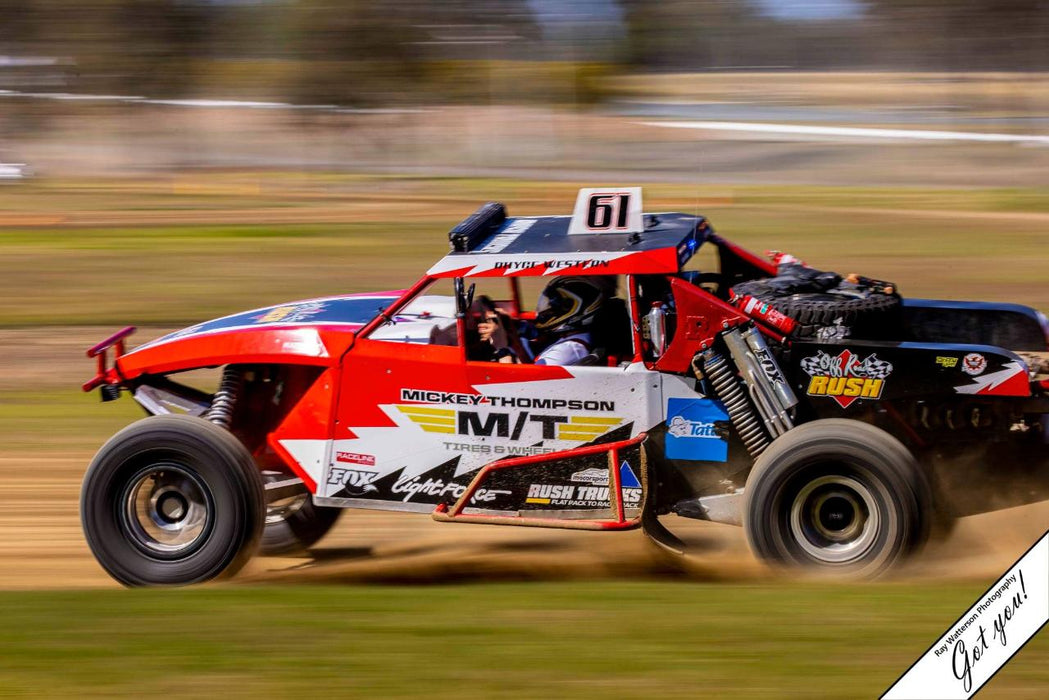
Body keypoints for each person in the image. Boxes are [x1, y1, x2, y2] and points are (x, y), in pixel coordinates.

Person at [532, 277, 608, 366]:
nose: (547, 311)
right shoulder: (576, 340)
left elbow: (531, 377)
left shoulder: (568, 349)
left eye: (553, 308)